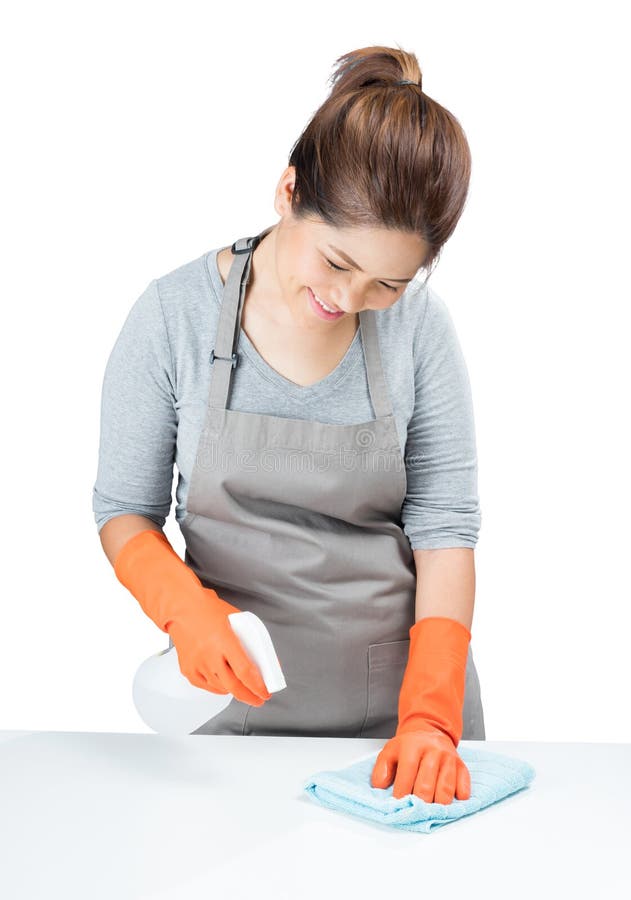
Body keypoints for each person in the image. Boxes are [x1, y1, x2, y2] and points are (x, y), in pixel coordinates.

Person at [93, 44, 485, 806]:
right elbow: (122, 513)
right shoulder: (172, 316)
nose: (349, 297)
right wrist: (186, 609)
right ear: (287, 190)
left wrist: (431, 719)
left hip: (398, 736)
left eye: (387, 283)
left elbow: (445, 530)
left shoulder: (419, 332)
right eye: (336, 262)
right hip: (229, 721)